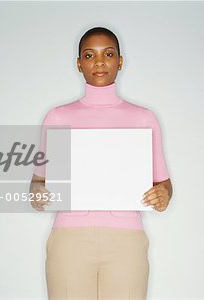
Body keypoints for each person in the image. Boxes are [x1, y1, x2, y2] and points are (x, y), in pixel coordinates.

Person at [30, 27, 173, 300]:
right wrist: (38, 194)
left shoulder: (143, 119)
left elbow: (163, 183)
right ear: (78, 63)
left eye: (108, 54)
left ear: (120, 61)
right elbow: (38, 183)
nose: (98, 62)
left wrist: (163, 195)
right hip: (69, 239)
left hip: (126, 240)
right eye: (89, 55)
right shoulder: (57, 118)